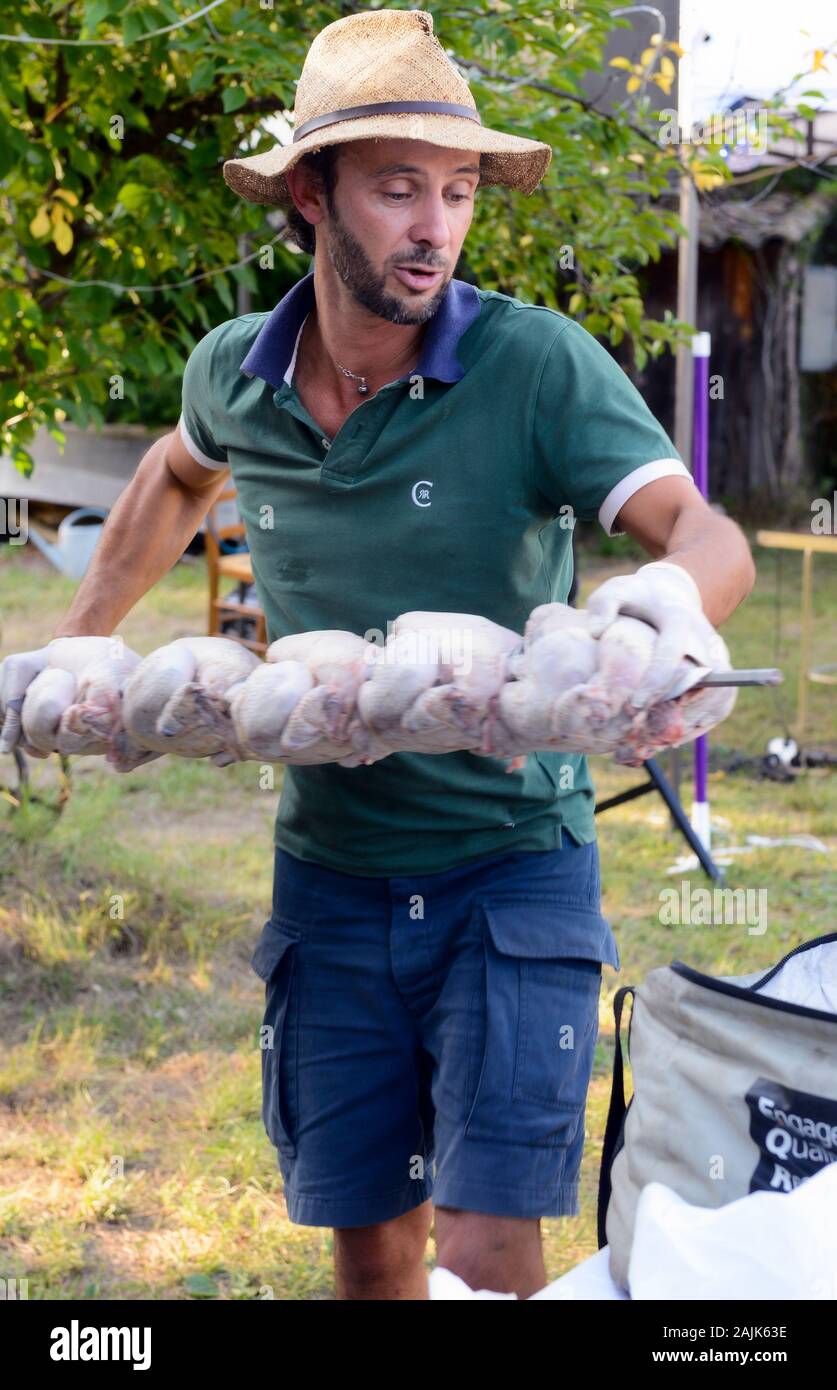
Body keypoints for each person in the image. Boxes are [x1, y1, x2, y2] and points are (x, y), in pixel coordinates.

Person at [2, 10, 754, 1299]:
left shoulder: (535, 367)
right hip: (332, 879)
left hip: (513, 874)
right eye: (398, 187)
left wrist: (670, 606)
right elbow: (175, 476)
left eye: (457, 193)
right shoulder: (236, 373)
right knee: (372, 1254)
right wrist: (78, 653)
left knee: (487, 1248)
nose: (435, 226)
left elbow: (702, 528)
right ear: (312, 194)